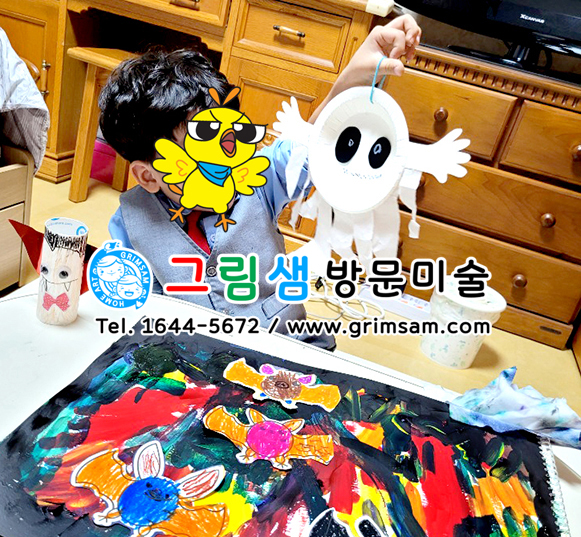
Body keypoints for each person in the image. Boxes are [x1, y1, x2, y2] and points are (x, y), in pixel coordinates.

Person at [99, 15, 422, 350]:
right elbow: (142, 313)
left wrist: (356, 75)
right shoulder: (130, 223)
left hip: (290, 345)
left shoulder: (256, 178)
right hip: (198, 361)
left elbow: (312, 141)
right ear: (148, 176)